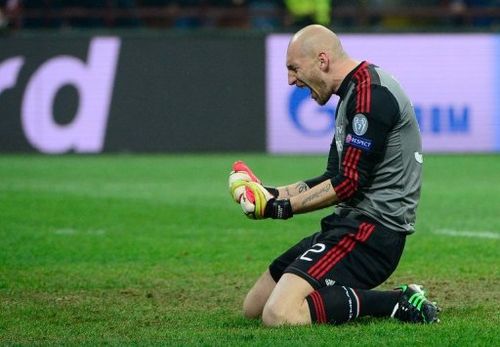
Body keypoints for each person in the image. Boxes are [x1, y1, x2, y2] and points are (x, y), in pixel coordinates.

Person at [229, 24, 439, 327]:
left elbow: (348, 183)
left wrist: (280, 208)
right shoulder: (352, 96)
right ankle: (342, 296)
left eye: (294, 69)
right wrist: (268, 192)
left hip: (372, 233)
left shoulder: (370, 96)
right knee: (255, 306)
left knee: (279, 315)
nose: (290, 80)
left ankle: (397, 301)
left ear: (322, 60)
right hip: (347, 226)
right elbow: (332, 176)